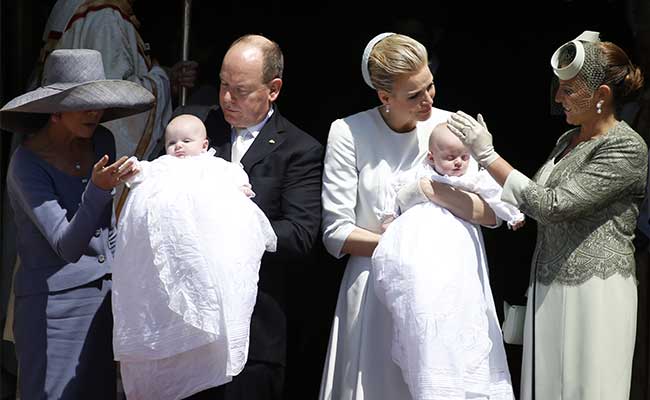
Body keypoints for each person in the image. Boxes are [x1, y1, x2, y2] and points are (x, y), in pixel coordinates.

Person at [447, 30, 647, 400]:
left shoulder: (626, 147)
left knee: (588, 389)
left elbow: (553, 205)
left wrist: (489, 157)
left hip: (595, 291)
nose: (558, 97)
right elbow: (533, 199)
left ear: (601, 96)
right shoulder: (566, 141)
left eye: (568, 90)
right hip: (548, 285)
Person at [319, 32, 501, 400]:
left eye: (430, 86)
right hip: (378, 286)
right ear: (385, 97)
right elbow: (336, 233)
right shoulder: (349, 131)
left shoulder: (450, 126)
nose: (428, 100)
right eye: (414, 95)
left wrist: (433, 192)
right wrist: (405, 248)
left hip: (449, 288)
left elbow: (492, 212)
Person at [175, 34, 323, 400]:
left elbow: (300, 235)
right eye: (223, 85)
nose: (226, 98)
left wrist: (234, 222)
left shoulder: (300, 149)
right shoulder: (194, 132)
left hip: (256, 331)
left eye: (240, 90)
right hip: (188, 326)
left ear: (273, 90)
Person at [0, 48, 154, 399]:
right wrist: (98, 191)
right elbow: (66, 245)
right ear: (53, 112)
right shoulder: (26, 164)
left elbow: (107, 228)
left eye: (97, 102)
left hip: (103, 301)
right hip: (53, 311)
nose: (94, 111)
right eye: (82, 102)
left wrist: (121, 279)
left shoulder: (103, 140)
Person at [112, 113, 276, 400]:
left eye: (186, 141)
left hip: (204, 256)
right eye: (171, 142)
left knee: (209, 295)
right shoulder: (162, 167)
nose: (178, 148)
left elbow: (236, 181)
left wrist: (239, 190)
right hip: (169, 255)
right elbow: (142, 171)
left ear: (204, 144)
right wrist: (132, 170)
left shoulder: (216, 167)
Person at [371, 122, 522, 400]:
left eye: (464, 157)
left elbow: (493, 194)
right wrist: (389, 217)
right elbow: (396, 192)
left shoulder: (469, 177)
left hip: (455, 249)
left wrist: (513, 215)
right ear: (431, 157)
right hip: (418, 250)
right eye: (450, 158)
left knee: (457, 304)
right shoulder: (420, 172)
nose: (458, 163)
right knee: (422, 309)